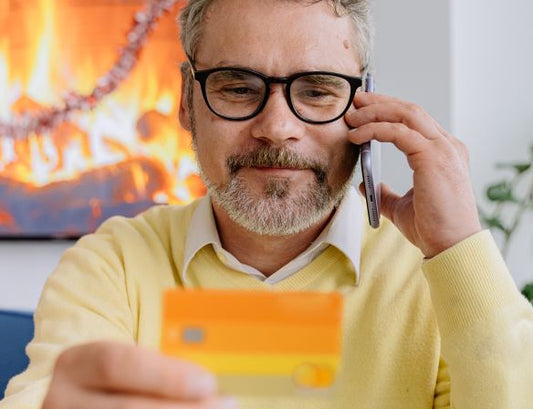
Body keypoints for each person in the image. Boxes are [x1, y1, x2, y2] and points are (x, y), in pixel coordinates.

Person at [2, 0, 533, 408]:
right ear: (187, 101)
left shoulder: (437, 277)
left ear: (365, 103)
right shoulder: (112, 265)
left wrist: (460, 245)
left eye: (318, 90)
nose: (277, 127)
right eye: (236, 87)